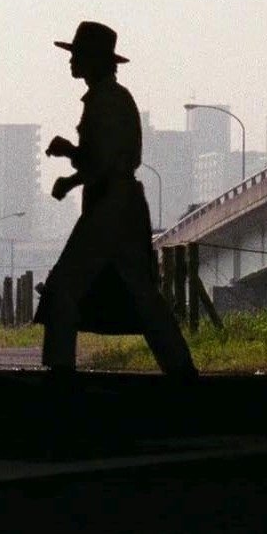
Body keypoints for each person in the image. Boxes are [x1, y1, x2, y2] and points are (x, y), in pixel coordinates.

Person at [35, 21, 197, 382]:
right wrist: (73, 159)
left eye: (77, 55)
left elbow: (103, 161)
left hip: (110, 204)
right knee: (141, 292)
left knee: (65, 286)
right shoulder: (111, 98)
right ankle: (180, 368)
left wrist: (70, 167)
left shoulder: (105, 101)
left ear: (94, 60)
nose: (71, 61)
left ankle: (60, 369)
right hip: (123, 203)